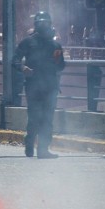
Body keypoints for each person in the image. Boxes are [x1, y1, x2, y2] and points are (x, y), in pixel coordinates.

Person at [13, 11, 65, 158]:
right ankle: (29, 144)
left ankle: (43, 149)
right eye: (41, 23)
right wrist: (23, 68)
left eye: (46, 23)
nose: (43, 26)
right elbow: (15, 60)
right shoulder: (28, 42)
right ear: (36, 24)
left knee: (47, 119)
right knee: (34, 117)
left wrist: (57, 55)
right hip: (33, 87)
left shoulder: (54, 44)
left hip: (50, 87)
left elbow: (60, 65)